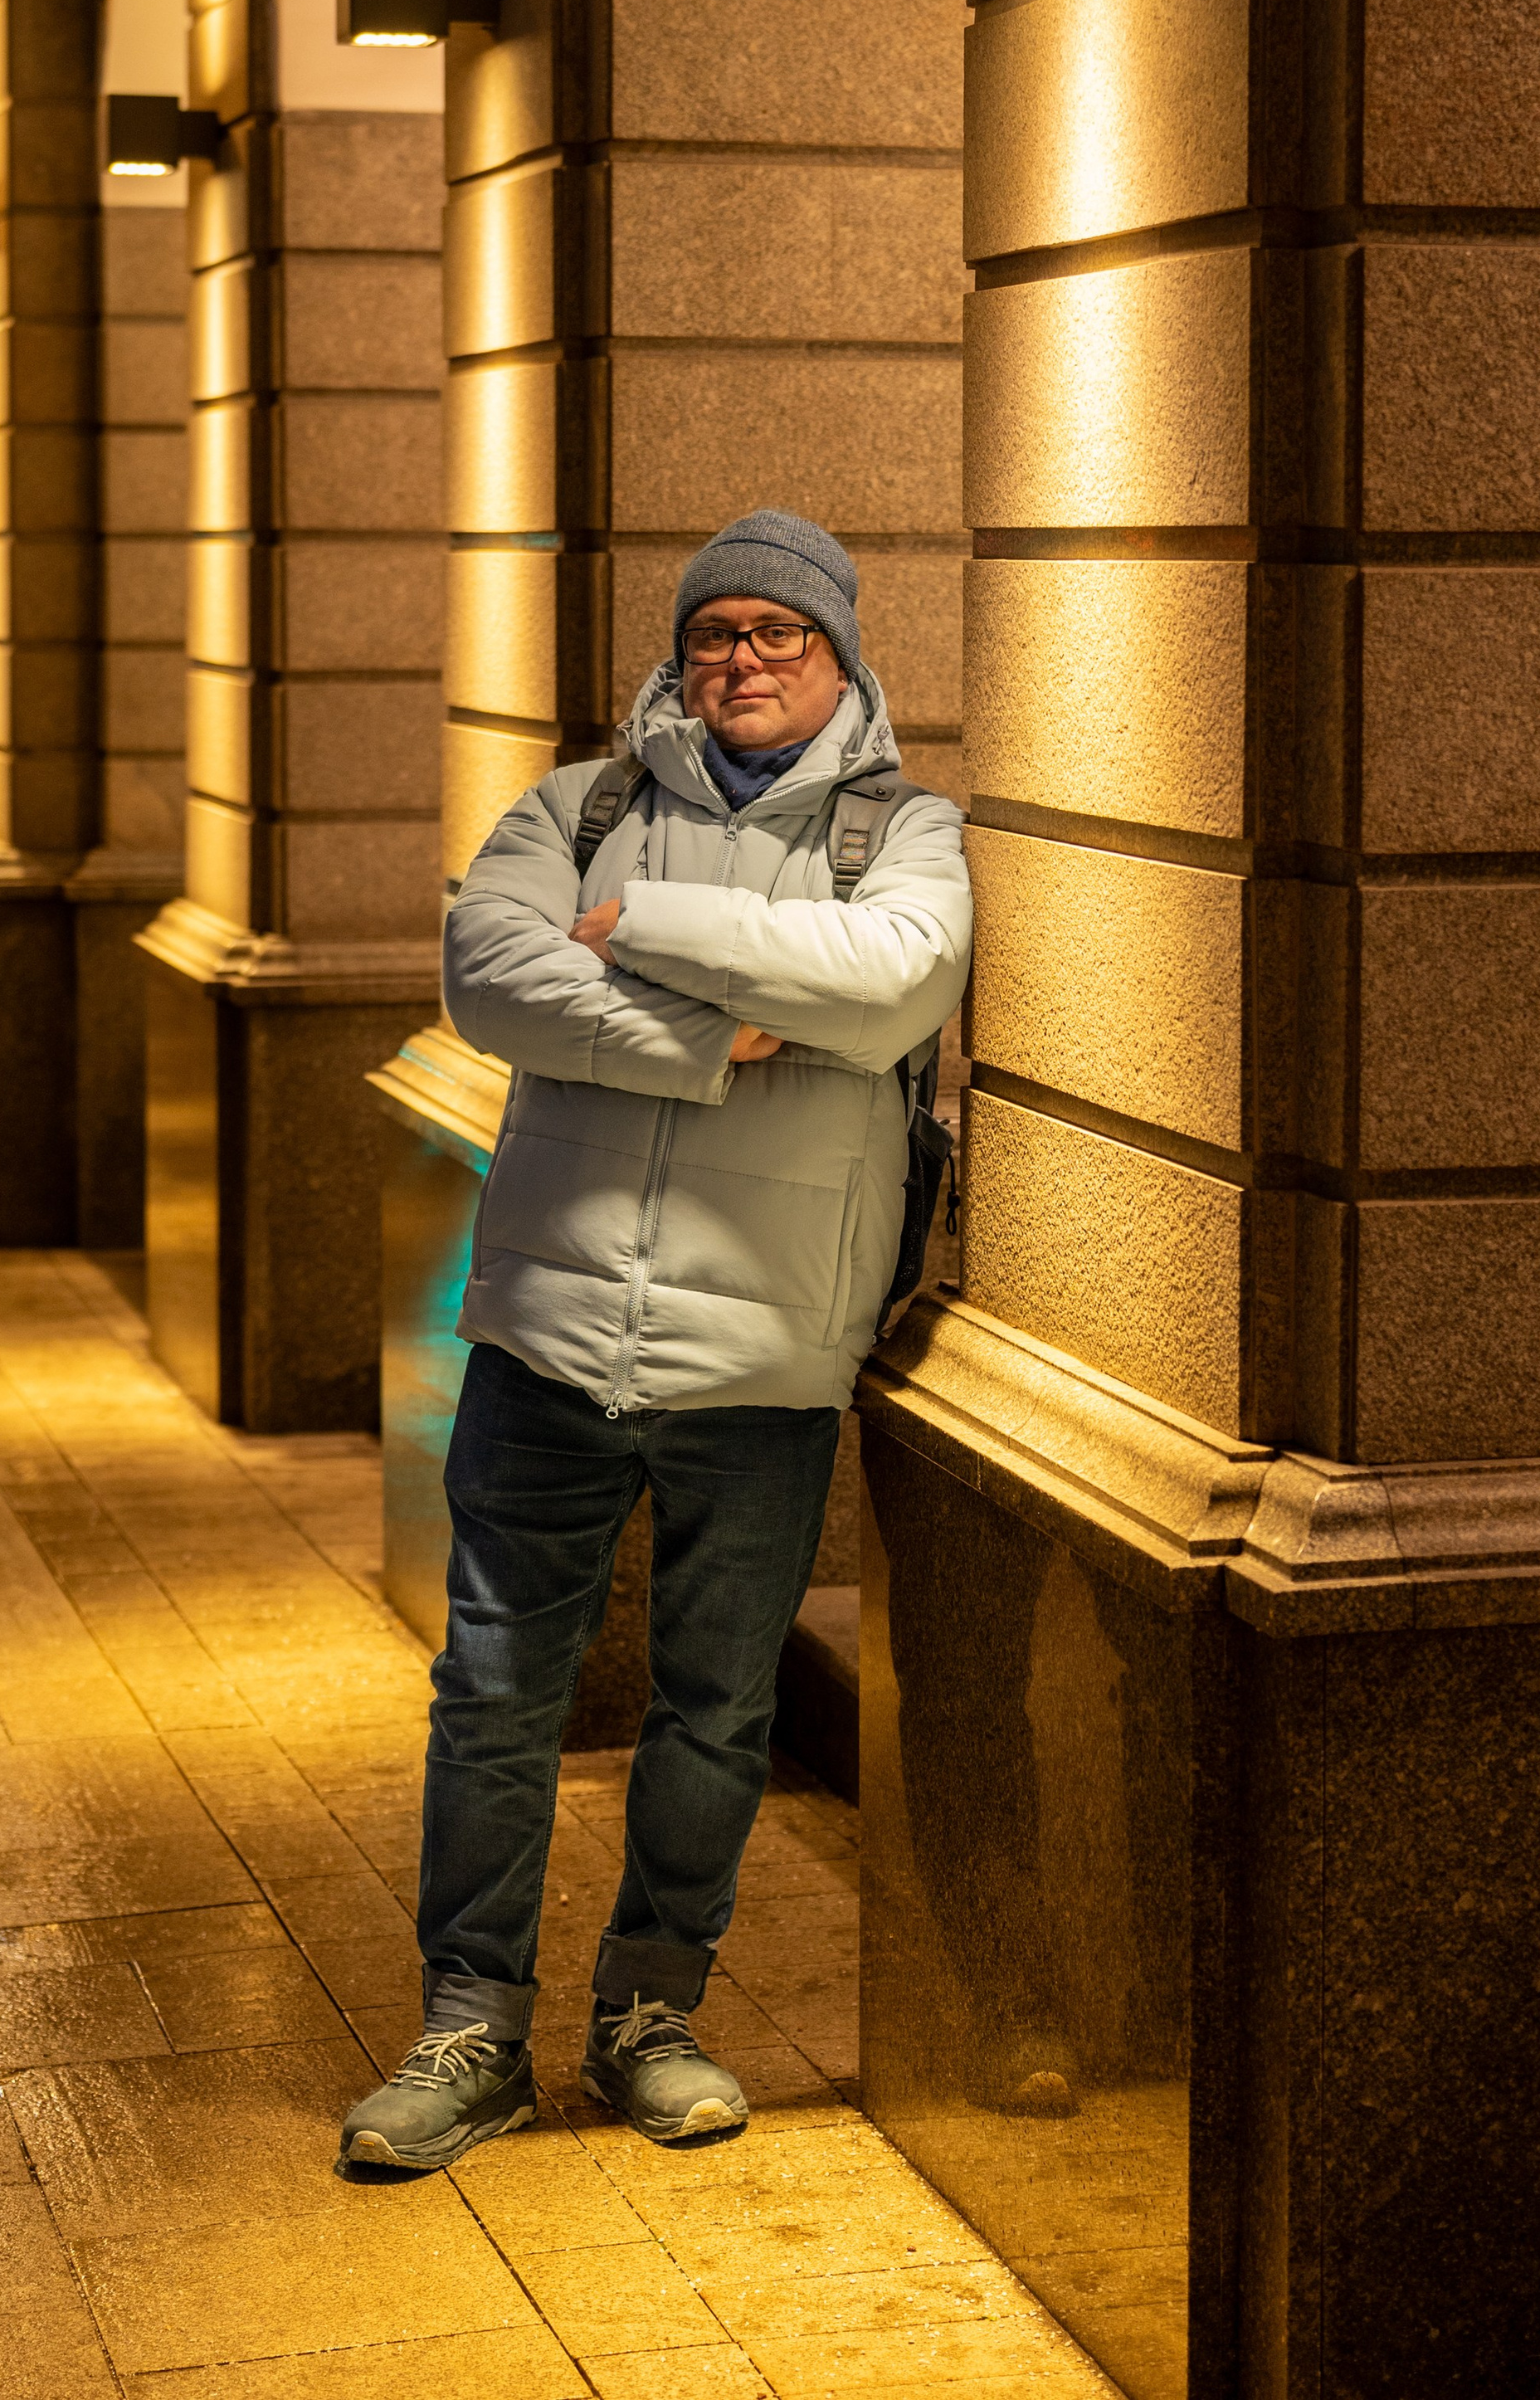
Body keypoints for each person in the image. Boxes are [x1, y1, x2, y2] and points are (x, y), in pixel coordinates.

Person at [338, 510, 972, 2168]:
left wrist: (642, 936)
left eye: (779, 634)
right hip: (547, 1334)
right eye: (715, 634)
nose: (741, 660)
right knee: (490, 1688)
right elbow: (488, 976)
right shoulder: (579, 805)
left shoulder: (900, 835)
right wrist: (720, 1039)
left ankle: (646, 2013)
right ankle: (467, 2024)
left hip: (762, 1358)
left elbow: (894, 983)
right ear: (677, 655)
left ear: (839, 658)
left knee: (712, 1708)